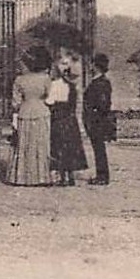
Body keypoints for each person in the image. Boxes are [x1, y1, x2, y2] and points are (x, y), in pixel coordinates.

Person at [7, 45, 54, 186]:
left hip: (25, 112)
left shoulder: (19, 80)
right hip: (41, 112)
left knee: (24, 145)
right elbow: (50, 98)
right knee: (40, 145)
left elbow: (15, 102)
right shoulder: (46, 78)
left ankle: (22, 177)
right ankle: (41, 176)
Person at [48, 48, 89, 187]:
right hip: (70, 119)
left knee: (59, 146)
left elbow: (50, 102)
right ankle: (70, 176)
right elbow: (76, 105)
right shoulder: (73, 87)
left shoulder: (53, 85)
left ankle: (62, 176)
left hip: (58, 118)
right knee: (70, 147)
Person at [82, 52, 116, 185]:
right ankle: (101, 175)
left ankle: (102, 176)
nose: (90, 66)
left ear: (96, 65)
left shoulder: (100, 83)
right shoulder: (100, 81)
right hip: (96, 119)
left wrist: (94, 112)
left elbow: (103, 103)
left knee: (99, 148)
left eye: (92, 63)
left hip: (97, 120)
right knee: (98, 148)